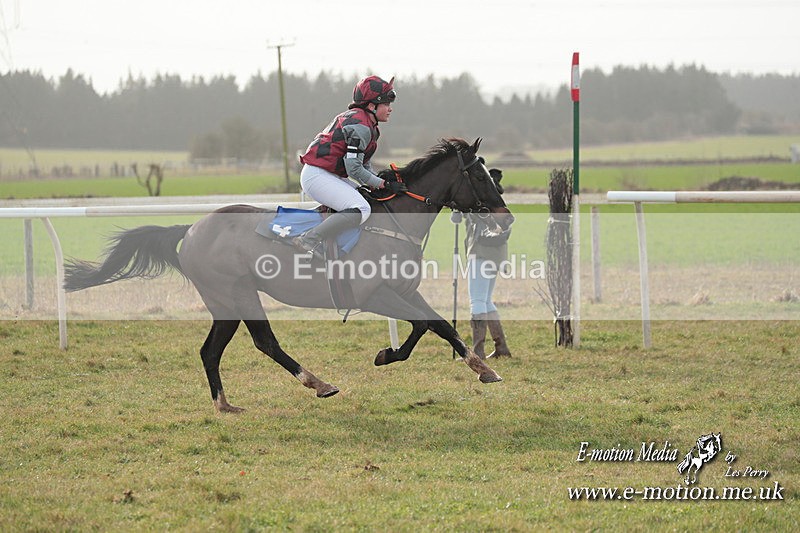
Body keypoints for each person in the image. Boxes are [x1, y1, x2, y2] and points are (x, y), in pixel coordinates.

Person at [295, 75, 407, 259]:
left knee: (367, 198)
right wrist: (382, 185)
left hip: (328, 174)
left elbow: (363, 164)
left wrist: (380, 182)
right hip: (317, 175)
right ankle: (309, 239)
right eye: (387, 104)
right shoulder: (361, 125)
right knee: (361, 208)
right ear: (372, 106)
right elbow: (354, 169)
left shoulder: (365, 122)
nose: (390, 109)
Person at [451, 169, 512, 358]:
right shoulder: (495, 200)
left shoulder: (477, 202)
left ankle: (478, 351)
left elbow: (457, 219)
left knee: (477, 301)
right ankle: (501, 348)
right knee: (486, 300)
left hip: (480, 252)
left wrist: (456, 207)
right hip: (497, 254)